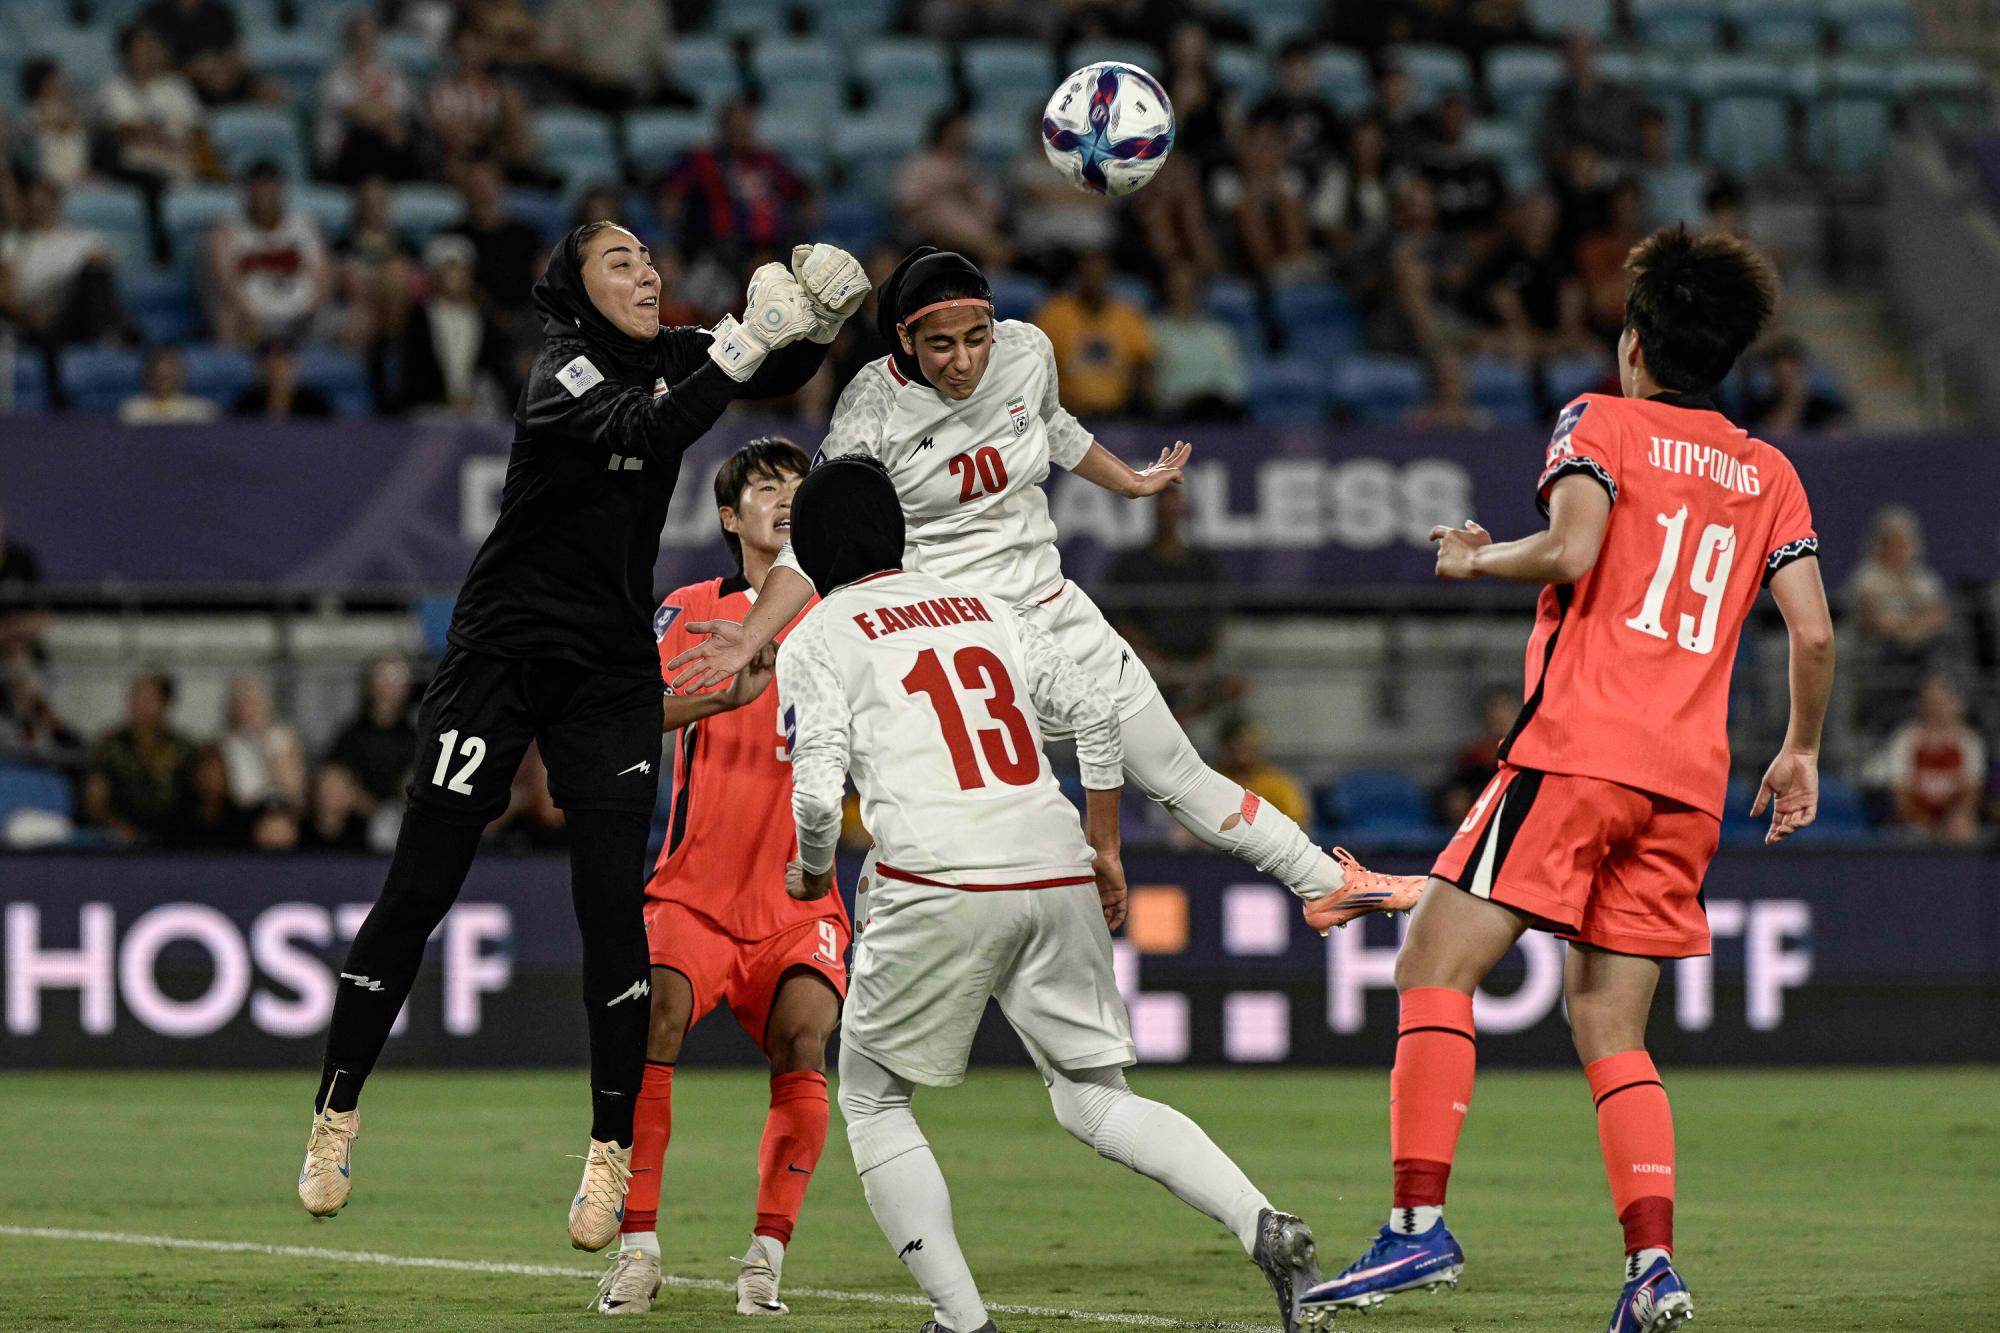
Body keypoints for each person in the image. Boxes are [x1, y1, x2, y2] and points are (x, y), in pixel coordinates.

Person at [1300, 227, 1834, 1332]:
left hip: (1576, 750)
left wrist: (1473, 556)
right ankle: (1650, 1268)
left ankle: (1413, 1229)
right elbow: (1815, 636)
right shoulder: (1769, 471)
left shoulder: (1599, 419)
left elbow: (1573, 549)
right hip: (1685, 784)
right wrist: (1800, 748)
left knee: (1432, 961)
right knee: (1610, 1028)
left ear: (1633, 345)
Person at [295, 222, 864, 1257]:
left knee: (610, 908)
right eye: (621, 262)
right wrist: (741, 346)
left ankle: (608, 1152)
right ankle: (337, 1110)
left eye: (652, 258)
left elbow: (771, 366)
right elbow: (645, 431)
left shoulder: (673, 359)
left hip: (605, 667)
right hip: (500, 654)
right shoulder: (557, 369)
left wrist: (821, 320)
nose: (647, 272)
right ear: (574, 288)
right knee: (420, 887)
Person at [668, 246, 1423, 938]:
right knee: (929, 824)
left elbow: (1051, 426)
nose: (963, 360)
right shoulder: (873, 406)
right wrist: (757, 630)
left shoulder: (1028, 350)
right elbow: (815, 535)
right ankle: (888, 978)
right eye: (940, 345)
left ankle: (1325, 882)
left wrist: (1129, 479)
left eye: (976, 338)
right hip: (957, 638)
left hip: (1056, 612)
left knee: (1178, 772)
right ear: (903, 341)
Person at [775, 456, 1326, 1333]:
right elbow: (1098, 712)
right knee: (1094, 1096)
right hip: (1053, 857)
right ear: (899, 531)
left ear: (809, 546)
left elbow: (813, 796)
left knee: (874, 1098)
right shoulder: (984, 605)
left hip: (936, 875)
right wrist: (1104, 842)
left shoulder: (817, 635)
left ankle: (962, 1321)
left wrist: (811, 871)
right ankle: (1264, 1223)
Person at [594, 438, 848, 1316]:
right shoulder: (692, 609)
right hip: (694, 892)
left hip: (797, 894)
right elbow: (633, 714)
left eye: (796, 489)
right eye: (765, 489)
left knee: (806, 1039)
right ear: (730, 517)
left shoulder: (847, 612)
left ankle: (765, 1258)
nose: (784, 501)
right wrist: (722, 697)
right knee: (651, 1019)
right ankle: (636, 1248)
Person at [1848, 506, 1955, 738]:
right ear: (1881, 544)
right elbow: (1877, 622)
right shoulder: (1867, 578)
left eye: (1905, 542)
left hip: (1922, 655)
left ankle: (1943, 711)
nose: (1902, 549)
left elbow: (1940, 614)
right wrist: (1914, 625)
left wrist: (1909, 628)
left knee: (1946, 645)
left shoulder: (1924, 578)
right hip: (1881, 657)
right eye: (1894, 542)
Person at [206, 161, 333, 347]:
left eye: (270, 190)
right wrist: (246, 312)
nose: (264, 197)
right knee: (227, 319)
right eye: (258, 190)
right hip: (253, 320)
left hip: (304, 318)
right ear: (247, 194)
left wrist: (311, 309)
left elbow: (324, 277)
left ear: (281, 192)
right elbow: (225, 282)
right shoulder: (227, 230)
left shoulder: (304, 225)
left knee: (354, 320)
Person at [1032, 250, 1155, 417]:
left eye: (1100, 274)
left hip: (1118, 414)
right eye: (1089, 274)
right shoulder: (1054, 314)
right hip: (1067, 414)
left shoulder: (1127, 315)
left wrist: (1139, 405)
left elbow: (1144, 363)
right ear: (1079, 276)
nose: (1094, 280)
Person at [83, 672, 196, 845]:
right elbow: (95, 803)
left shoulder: (185, 749)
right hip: (120, 841)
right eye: (134, 698)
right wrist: (122, 829)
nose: (137, 706)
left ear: (165, 703)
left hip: (174, 841)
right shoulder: (111, 747)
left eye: (147, 699)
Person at [1875, 675, 1985, 845]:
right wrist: (1926, 826)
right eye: (1929, 702)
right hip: (1914, 822)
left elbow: (1970, 794)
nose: (1934, 709)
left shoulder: (1969, 741)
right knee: (1912, 834)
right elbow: (1901, 797)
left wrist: (1955, 820)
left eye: (1941, 702)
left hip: (1952, 822)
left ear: (1955, 705)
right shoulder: (1905, 740)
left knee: (1964, 829)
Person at [324, 653, 418, 814]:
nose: (388, 688)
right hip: (358, 820)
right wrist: (372, 810)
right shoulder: (351, 735)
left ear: (407, 687)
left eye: (395, 680)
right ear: (370, 684)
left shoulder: (415, 737)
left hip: (405, 819)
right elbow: (335, 775)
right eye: (382, 679)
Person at [1216, 715, 1310, 827]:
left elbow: (1298, 823)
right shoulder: (1212, 781)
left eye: (1247, 747)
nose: (1241, 754)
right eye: (1236, 747)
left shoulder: (1278, 783)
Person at [232, 340, 336, 419]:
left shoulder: (316, 406)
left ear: (295, 368)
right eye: (271, 369)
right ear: (261, 372)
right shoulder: (245, 405)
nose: (277, 375)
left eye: (283, 367)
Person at [119, 346, 218, 423]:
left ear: (180, 374)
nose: (163, 382)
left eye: (168, 377)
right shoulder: (132, 411)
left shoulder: (200, 410)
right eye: (159, 377)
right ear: (147, 375)